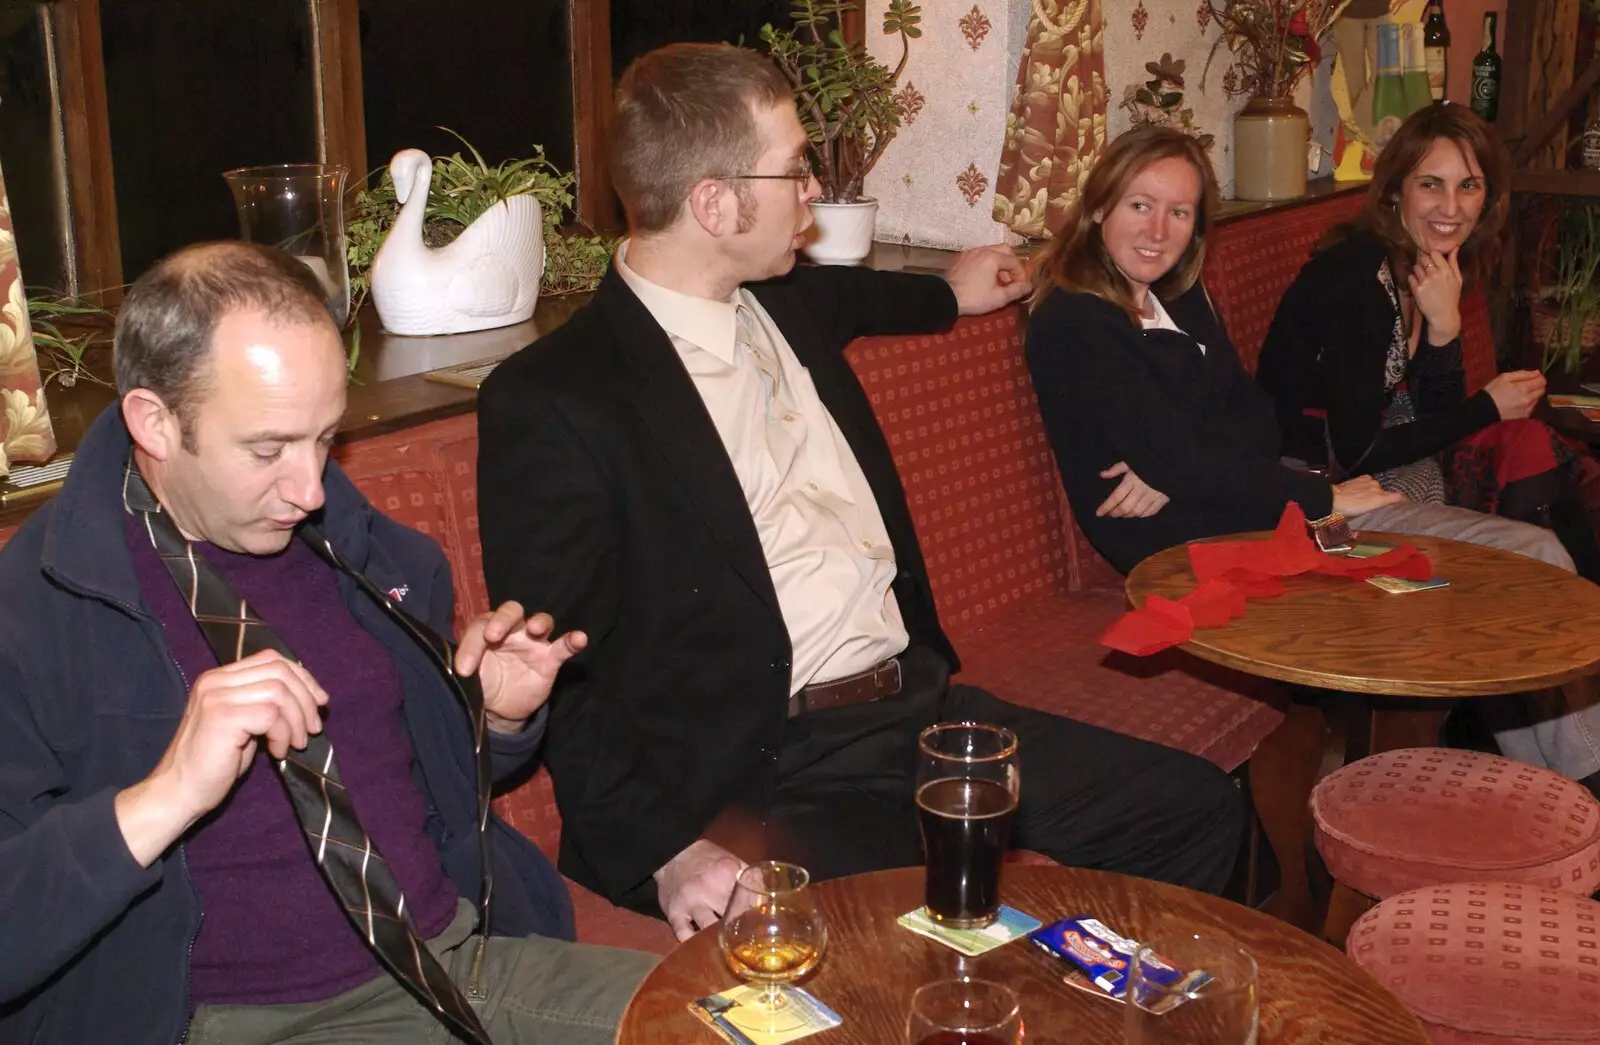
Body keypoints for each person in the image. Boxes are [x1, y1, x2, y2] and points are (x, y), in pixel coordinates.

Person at [477, 42, 1247, 942]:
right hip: (769, 768)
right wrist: (666, 847)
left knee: (1193, 809)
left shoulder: (788, 301)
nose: (813, 191)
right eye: (796, 169)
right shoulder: (558, 399)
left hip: (918, 712)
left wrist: (955, 293)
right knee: (931, 951)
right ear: (716, 204)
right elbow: (556, 660)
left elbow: (869, 298)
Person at [0, 242, 654, 1045]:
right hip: (243, 1021)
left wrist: (489, 715)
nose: (310, 487)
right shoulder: (36, 612)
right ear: (154, 422)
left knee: (762, 1019)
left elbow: (422, 782)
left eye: (325, 438)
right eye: (269, 449)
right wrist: (164, 792)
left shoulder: (358, 547)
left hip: (456, 964)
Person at [1024, 124, 1600, 796]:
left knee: (1534, 562)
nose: (1158, 229)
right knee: (1527, 562)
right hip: (1206, 546)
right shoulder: (1077, 319)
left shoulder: (1173, 294)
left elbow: (1255, 420)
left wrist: (1175, 462)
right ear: (1099, 207)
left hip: (1264, 510)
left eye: (1179, 212)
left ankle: (1557, 794)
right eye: (1139, 205)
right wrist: (1311, 495)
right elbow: (1211, 450)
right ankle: (1566, 790)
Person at [1257, 103, 1600, 582]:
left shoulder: (1429, 269)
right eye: (1430, 184)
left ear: (1488, 199)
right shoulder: (1355, 282)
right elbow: (1360, 453)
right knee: (1536, 552)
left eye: (1468, 186)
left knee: (1539, 460)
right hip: (1315, 497)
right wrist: (1488, 406)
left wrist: (1443, 329)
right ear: (1396, 190)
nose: (1451, 208)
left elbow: (1435, 415)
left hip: (1379, 475)